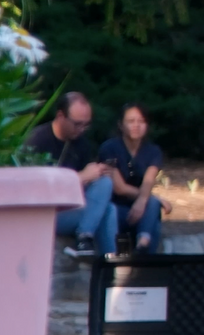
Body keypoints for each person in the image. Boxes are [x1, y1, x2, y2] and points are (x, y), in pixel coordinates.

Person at [26, 92, 116, 256]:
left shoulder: (82, 144)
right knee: (107, 211)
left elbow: (83, 189)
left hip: (71, 207)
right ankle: (85, 238)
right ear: (61, 116)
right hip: (45, 214)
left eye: (86, 125)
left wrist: (95, 176)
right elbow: (34, 190)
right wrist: (80, 177)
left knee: (107, 194)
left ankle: (109, 262)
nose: (81, 129)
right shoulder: (37, 140)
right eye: (77, 124)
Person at [98, 103, 164, 254]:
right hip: (117, 208)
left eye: (141, 121)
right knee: (153, 203)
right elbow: (119, 187)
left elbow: (149, 180)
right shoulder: (109, 148)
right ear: (121, 125)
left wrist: (143, 200)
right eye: (131, 121)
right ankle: (141, 250)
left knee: (152, 209)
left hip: (142, 210)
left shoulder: (153, 151)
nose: (136, 126)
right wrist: (147, 198)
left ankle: (142, 245)